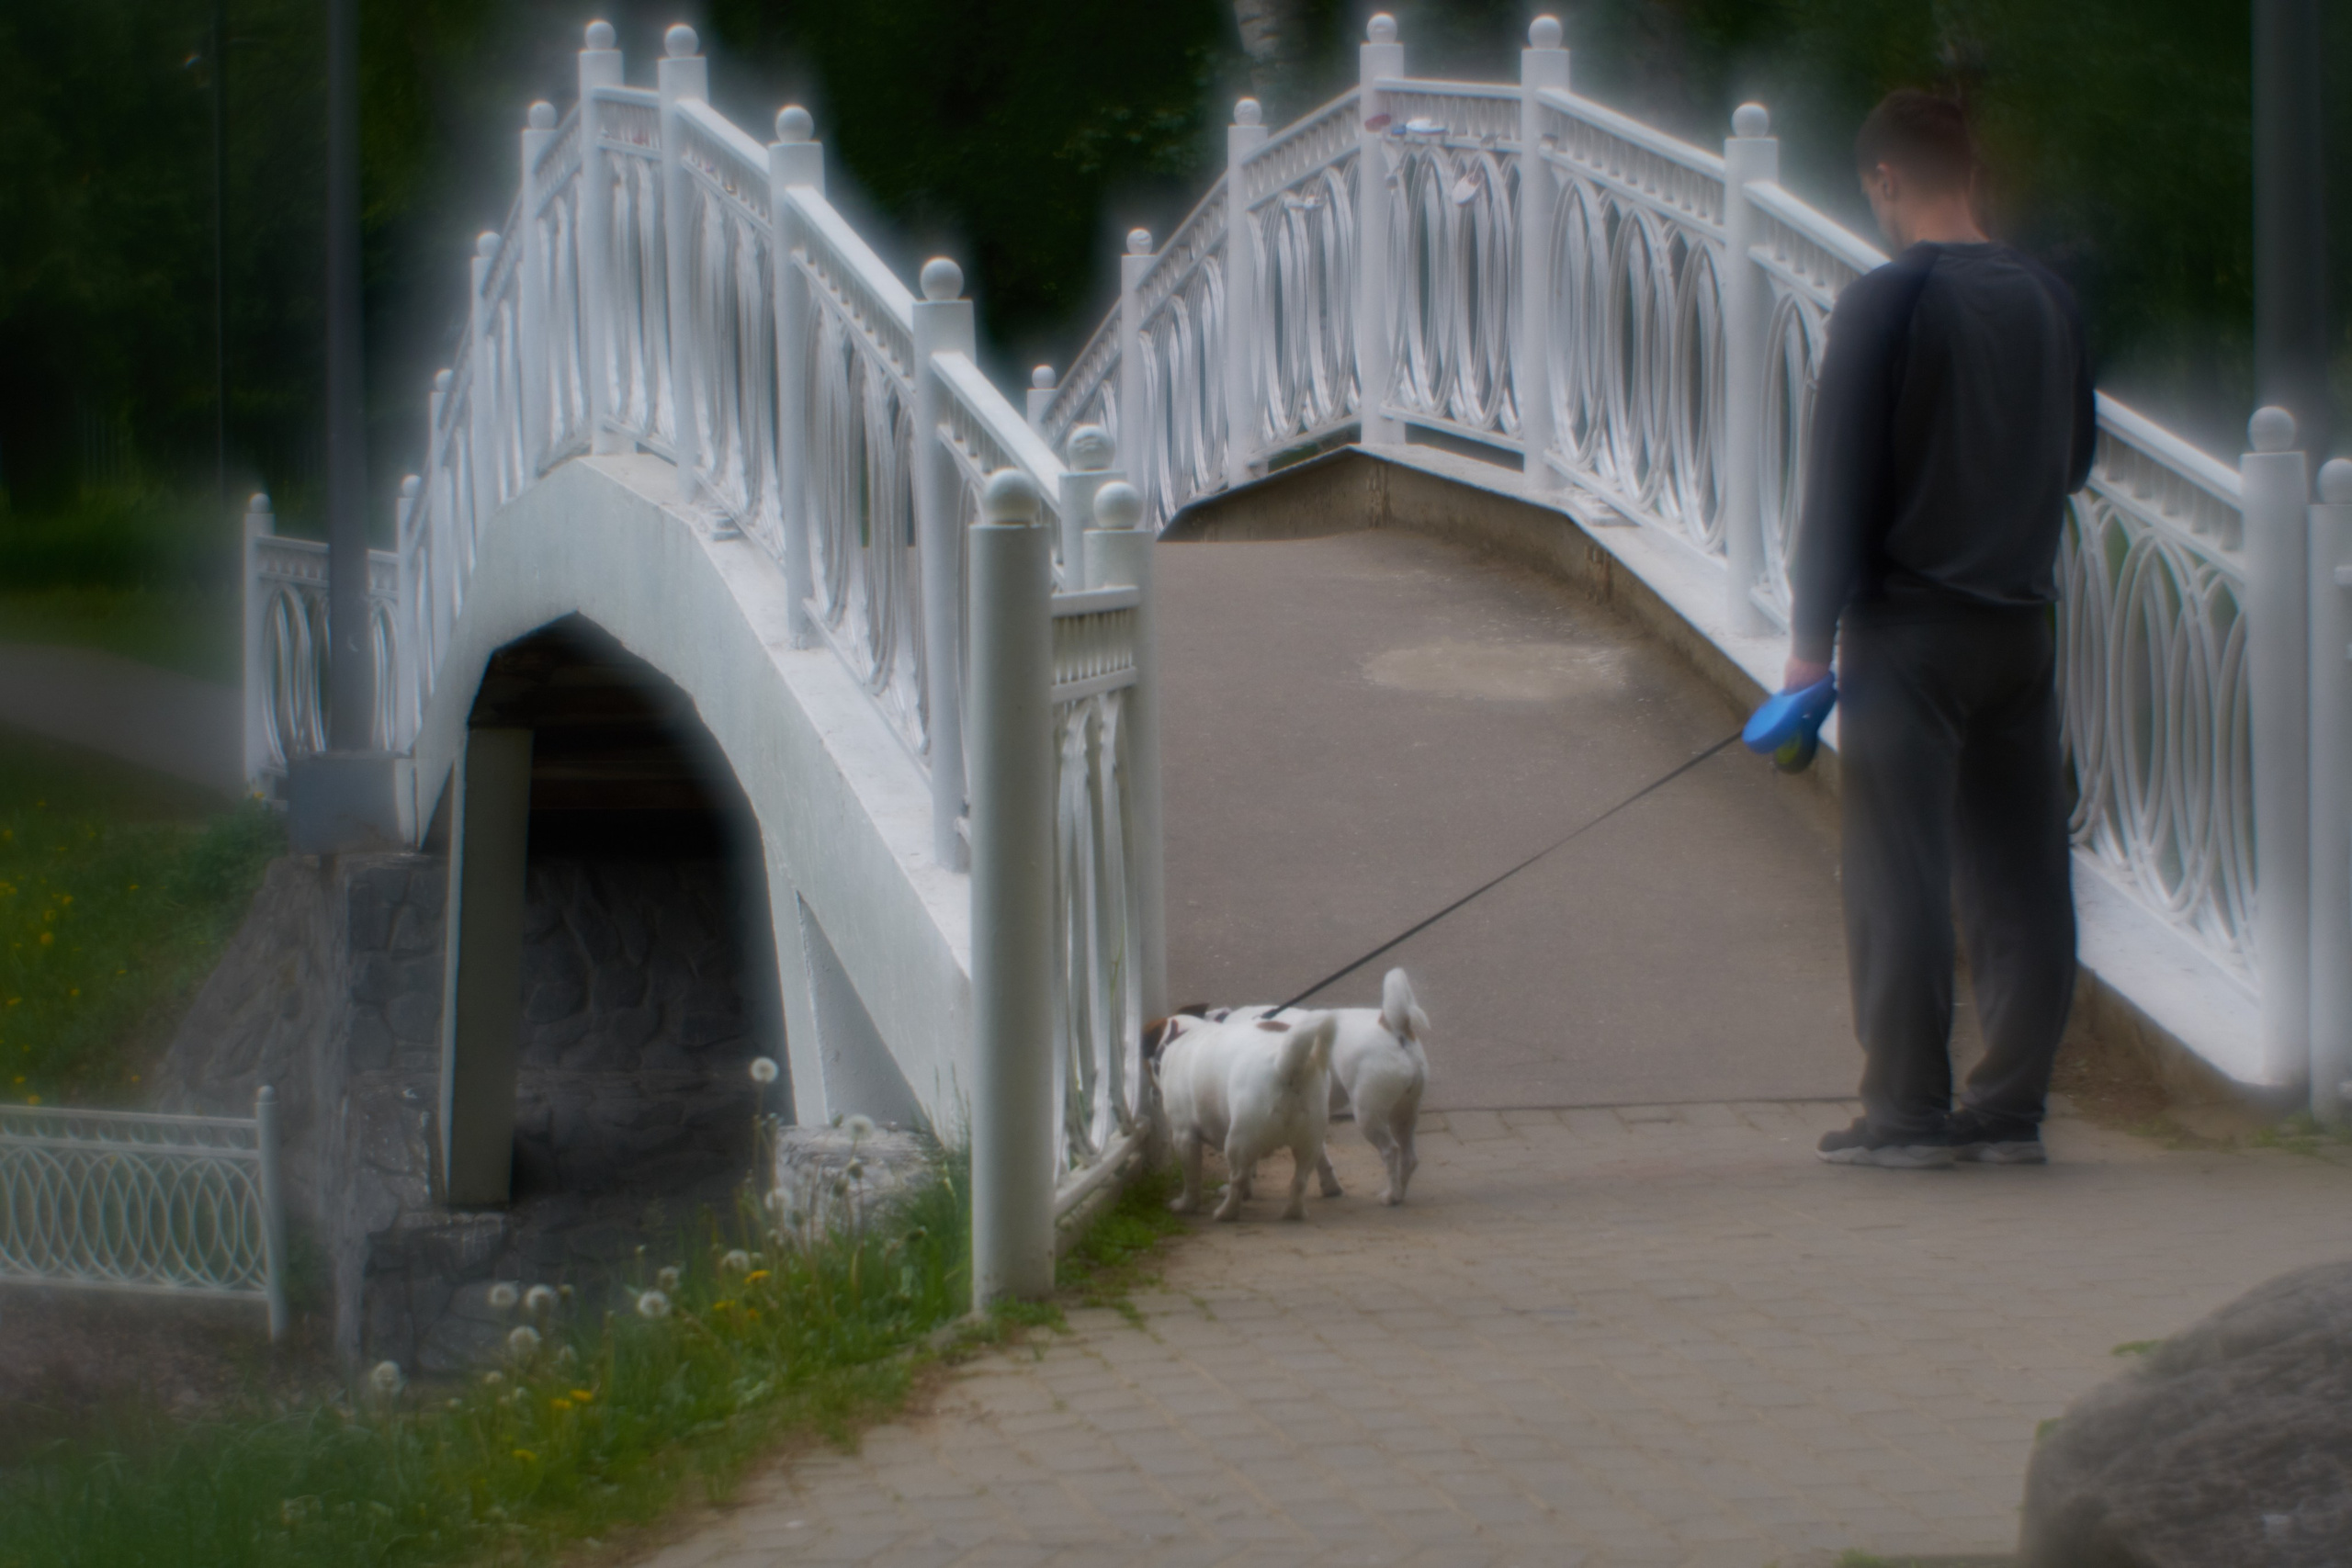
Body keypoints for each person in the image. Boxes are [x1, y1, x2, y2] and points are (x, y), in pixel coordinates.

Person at [1788, 90, 2096, 1169]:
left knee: (1898, 874)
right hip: (2019, 626)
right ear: (1972, 171)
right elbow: (2073, 465)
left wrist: (1803, 648)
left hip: (1906, 632)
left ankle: (1907, 1118)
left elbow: (1838, 489)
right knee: (2020, 871)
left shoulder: (1884, 300)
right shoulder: (2049, 300)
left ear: (1884, 180)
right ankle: (2010, 1113)